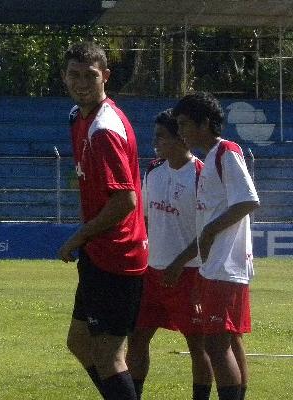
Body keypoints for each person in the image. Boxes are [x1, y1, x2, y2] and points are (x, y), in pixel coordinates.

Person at [59, 41, 148, 400]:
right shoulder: (78, 117)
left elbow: (124, 200)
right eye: (74, 75)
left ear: (105, 77)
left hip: (118, 257)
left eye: (90, 76)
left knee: (110, 356)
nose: (81, 82)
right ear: (64, 77)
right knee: (80, 342)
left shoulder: (105, 129)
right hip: (100, 254)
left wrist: (78, 236)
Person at [169, 91, 259, 400]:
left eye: (183, 124)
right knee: (229, 342)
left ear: (204, 123)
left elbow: (248, 200)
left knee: (216, 345)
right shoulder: (209, 161)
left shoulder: (225, 152)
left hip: (226, 265)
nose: (179, 131)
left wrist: (208, 233)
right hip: (216, 266)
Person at [124, 110, 213, 400]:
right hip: (151, 272)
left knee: (198, 345)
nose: (155, 141)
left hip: (190, 273)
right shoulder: (153, 171)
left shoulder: (201, 175)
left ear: (180, 137)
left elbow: (209, 231)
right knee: (137, 338)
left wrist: (179, 262)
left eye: (161, 136)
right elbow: (145, 219)